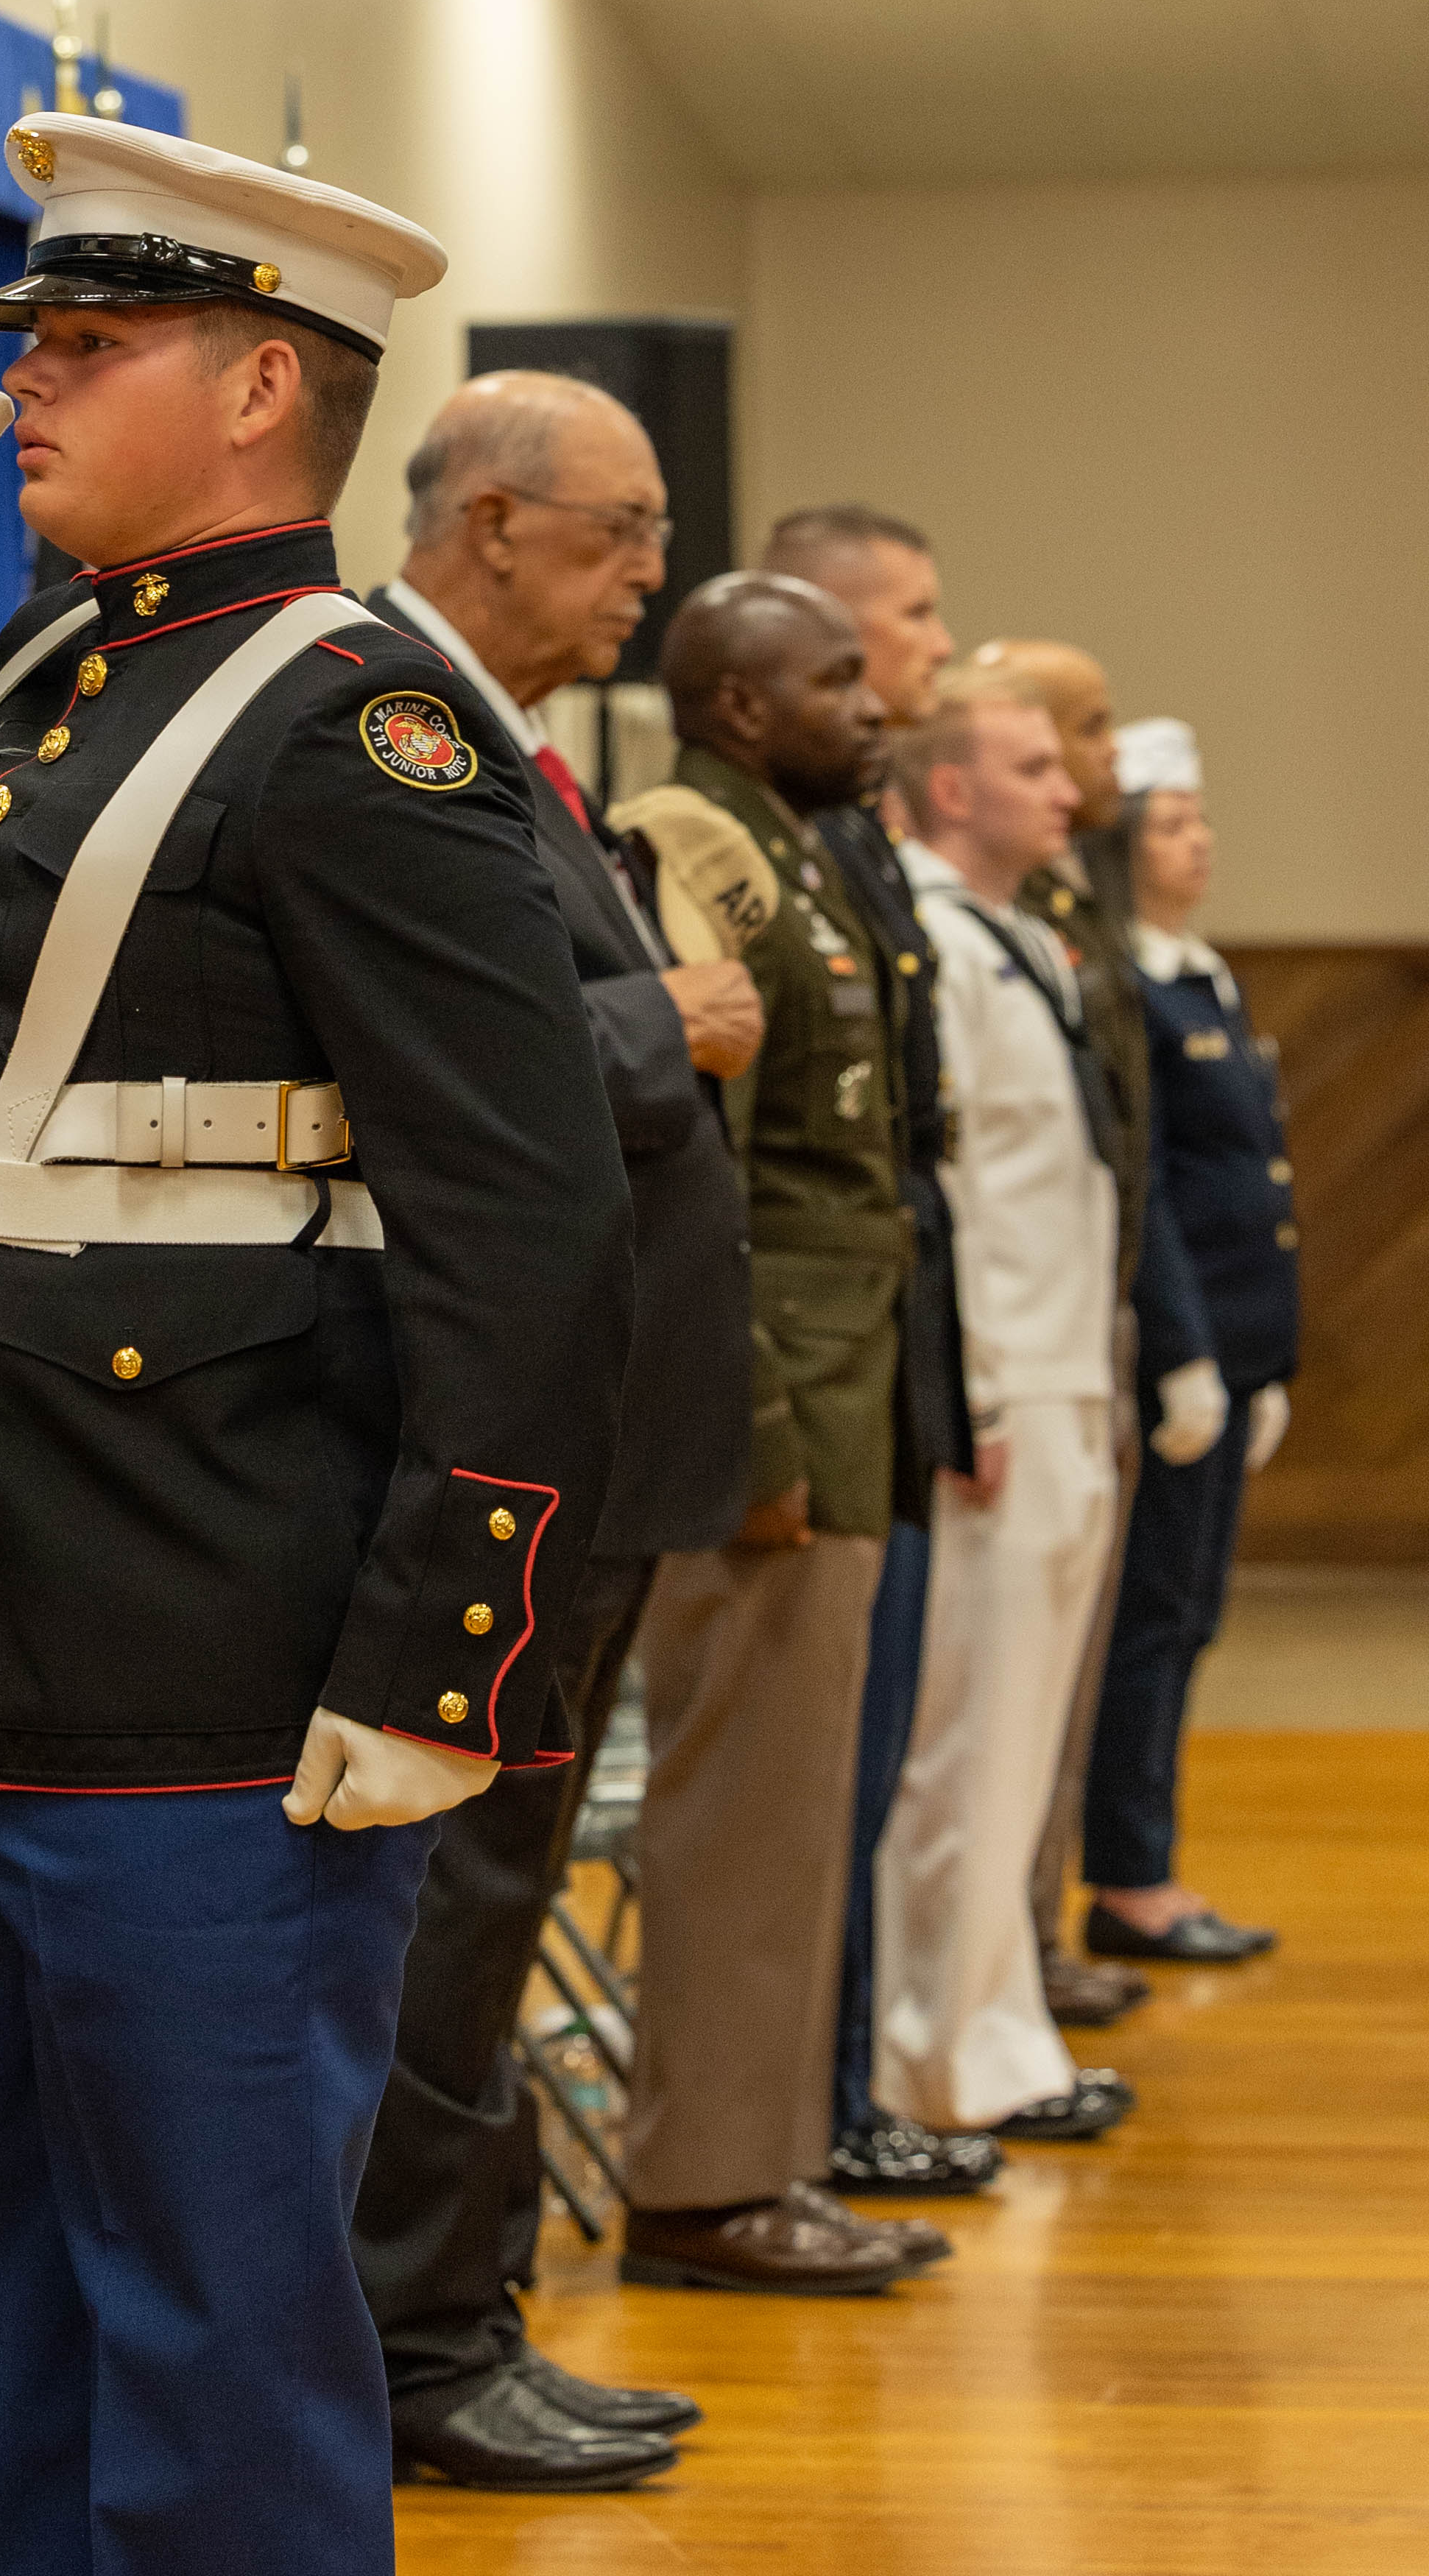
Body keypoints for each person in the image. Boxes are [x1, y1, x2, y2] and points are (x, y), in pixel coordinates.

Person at [0, 113, 632, 2576]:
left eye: (89, 346)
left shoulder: (358, 728)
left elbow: (529, 1226)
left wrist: (446, 1650)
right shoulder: (78, 658)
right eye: (29, 340)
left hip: (214, 1640)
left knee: (215, 2322)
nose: (21, 384)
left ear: (258, 389)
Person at [354, 372, 757, 2491]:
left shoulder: (510, 736)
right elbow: (416, 1055)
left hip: (592, 1432)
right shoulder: (384, 721)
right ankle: (419, 2346)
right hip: (493, 1430)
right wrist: (652, 1023)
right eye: (624, 530)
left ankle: (471, 2310)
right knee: (458, 1902)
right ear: (495, 520)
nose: (651, 576)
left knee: (492, 1906)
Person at [611, 575, 935, 2297]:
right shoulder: (693, 845)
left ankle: (772, 2155)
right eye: (835, 680)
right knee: (739, 1807)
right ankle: (706, 2183)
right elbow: (699, 1175)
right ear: (741, 706)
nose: (873, 707)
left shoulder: (796, 849)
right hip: (772, 1396)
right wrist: (752, 1425)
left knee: (799, 1808)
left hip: (845, 1376)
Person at [760, 509, 998, 2206]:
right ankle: (813, 2113)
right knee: (811, 1793)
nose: (928, 649)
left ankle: (842, 2097)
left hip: (888, 1372)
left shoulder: (847, 837)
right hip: (819, 1380)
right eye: (903, 620)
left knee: (866, 1765)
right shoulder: (773, 840)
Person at [877, 671, 1135, 2143]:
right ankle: (941, 2051)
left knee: (1021, 1738)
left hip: (1063, 1370)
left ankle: (999, 2023)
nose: (1067, 790)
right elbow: (946, 1188)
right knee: (966, 1745)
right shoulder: (937, 943)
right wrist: (967, 1389)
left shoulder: (1017, 935)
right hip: (1000, 1392)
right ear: (951, 787)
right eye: (1032, 765)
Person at [1079, 719, 1296, 1963]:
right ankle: (1129, 1877)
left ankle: (1144, 1863)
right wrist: (1183, 1353)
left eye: (1200, 819)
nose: (1198, 842)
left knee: (1187, 1615)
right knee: (1151, 1619)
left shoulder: (1199, 973)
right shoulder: (1129, 986)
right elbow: (1150, 1183)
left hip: (1236, 1348)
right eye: (1170, 824)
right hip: (1180, 1349)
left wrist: (1264, 1364)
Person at [967, 635, 1152, 2031]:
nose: (1094, 771)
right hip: (1011, 1356)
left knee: (1057, 1690)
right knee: (989, 1715)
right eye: (1069, 739)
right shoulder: (986, 924)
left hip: (1086, 1325)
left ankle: (1023, 1961)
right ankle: (996, 1982)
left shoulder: (1066, 908)